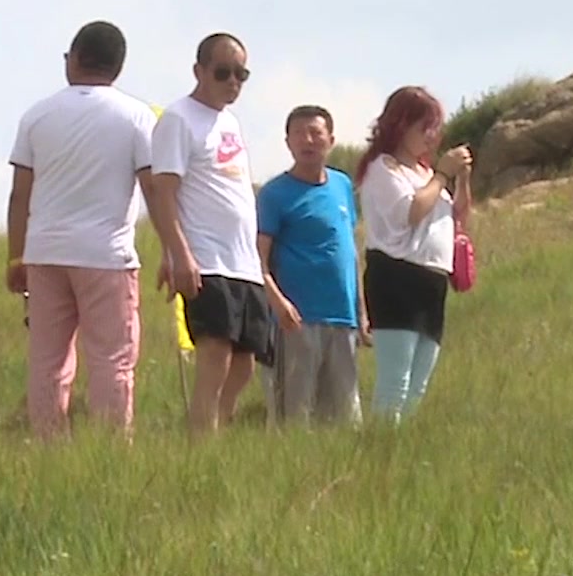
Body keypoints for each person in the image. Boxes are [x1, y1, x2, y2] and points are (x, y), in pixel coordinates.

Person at [4, 19, 161, 440]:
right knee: (112, 359)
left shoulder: (37, 115)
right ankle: (111, 448)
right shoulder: (136, 116)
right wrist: (176, 250)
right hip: (106, 256)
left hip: (45, 253)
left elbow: (20, 195)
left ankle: (49, 445)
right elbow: (154, 189)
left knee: (48, 360)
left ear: (72, 59)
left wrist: (15, 255)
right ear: (118, 67)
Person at [149, 32, 275, 436]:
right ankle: (200, 445)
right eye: (223, 73)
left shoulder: (231, 122)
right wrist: (178, 254)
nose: (232, 82)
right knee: (215, 357)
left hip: (244, 264)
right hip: (206, 259)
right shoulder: (179, 119)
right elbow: (164, 192)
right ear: (199, 71)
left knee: (243, 365)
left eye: (241, 74)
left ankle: (214, 431)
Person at [353, 86, 471, 422]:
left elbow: (458, 215)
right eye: (425, 127)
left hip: (432, 281)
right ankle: (380, 453)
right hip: (396, 277)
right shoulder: (384, 168)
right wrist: (443, 174)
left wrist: (460, 180)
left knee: (418, 383)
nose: (432, 137)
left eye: (435, 128)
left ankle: (396, 447)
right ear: (401, 125)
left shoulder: (425, 175)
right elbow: (412, 210)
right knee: (396, 381)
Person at [257, 104, 372, 426]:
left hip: (342, 319)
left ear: (331, 140)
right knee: (294, 418)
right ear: (288, 142)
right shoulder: (274, 194)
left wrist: (361, 312)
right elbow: (258, 258)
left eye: (315, 133)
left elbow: (349, 251)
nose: (308, 141)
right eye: (299, 134)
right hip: (296, 320)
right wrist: (277, 303)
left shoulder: (342, 185)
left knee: (345, 419)